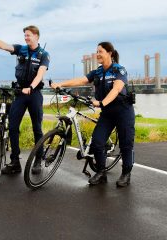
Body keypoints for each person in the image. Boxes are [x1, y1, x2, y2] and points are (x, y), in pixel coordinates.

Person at [51, 41, 135, 187]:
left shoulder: (119, 70)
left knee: (126, 144)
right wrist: (61, 84)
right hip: (107, 113)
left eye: (100, 51)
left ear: (110, 53)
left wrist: (101, 103)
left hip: (123, 111)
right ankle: (101, 172)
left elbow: (116, 89)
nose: (97, 54)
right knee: (97, 142)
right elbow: (81, 80)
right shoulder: (98, 71)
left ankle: (126, 174)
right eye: (97, 52)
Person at [0, 25, 50, 174]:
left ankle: (38, 160)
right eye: (25, 35)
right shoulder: (21, 49)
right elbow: (4, 46)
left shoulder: (43, 54)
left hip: (34, 93)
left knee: (37, 128)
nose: (26, 38)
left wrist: (31, 86)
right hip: (20, 92)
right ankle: (15, 161)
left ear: (36, 36)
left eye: (28, 35)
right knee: (13, 126)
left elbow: (40, 74)